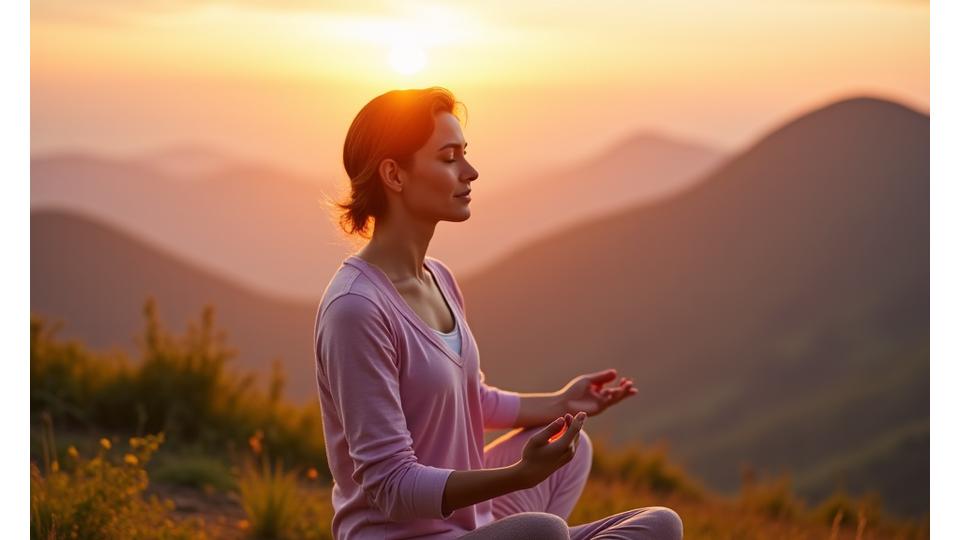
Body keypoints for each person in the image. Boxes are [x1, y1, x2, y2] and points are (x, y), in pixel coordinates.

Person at [314, 86, 683, 539]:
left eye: (465, 154)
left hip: (474, 525)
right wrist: (518, 476)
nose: (470, 172)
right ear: (394, 174)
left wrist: (561, 403)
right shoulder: (356, 309)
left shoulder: (439, 280)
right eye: (449, 158)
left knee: (655, 520)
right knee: (541, 532)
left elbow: (470, 398)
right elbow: (389, 486)